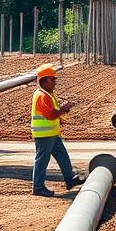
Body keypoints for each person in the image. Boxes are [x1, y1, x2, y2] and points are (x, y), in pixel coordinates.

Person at [30, 63, 82, 197]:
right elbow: (51, 114)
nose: (55, 82)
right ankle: (38, 187)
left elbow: (53, 113)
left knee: (63, 156)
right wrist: (64, 109)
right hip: (44, 134)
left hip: (52, 133)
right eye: (52, 79)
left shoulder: (47, 94)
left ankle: (69, 179)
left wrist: (62, 111)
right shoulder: (42, 95)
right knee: (42, 161)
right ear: (44, 80)